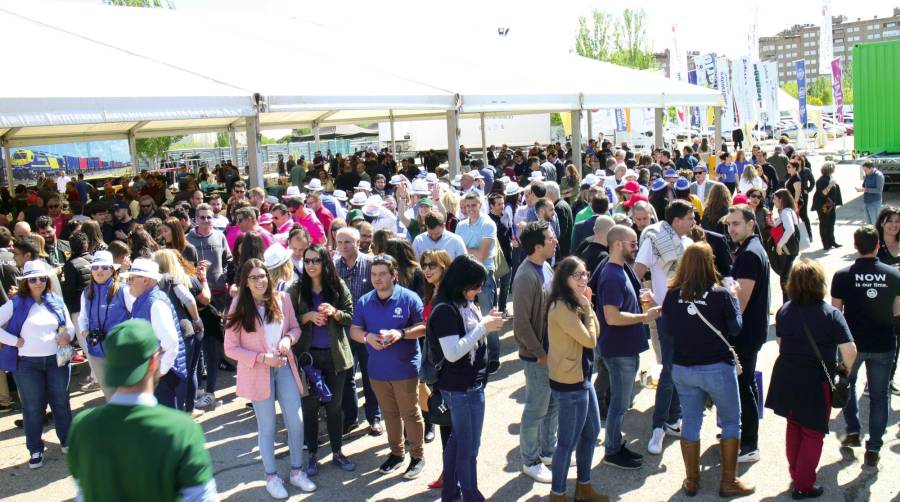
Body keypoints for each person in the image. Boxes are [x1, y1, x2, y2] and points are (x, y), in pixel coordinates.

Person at [67, 319, 217, 501]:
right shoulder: (181, 430)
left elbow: (82, 493)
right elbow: (201, 497)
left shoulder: (82, 427)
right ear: (153, 362)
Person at [663, 242, 752, 497]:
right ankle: (728, 481)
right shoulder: (720, 294)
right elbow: (735, 328)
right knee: (732, 421)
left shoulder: (672, 294)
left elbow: (668, 330)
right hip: (716, 368)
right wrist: (734, 297)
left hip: (683, 367)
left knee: (690, 421)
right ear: (708, 262)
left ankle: (692, 480)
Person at [224, 259, 316, 498]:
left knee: (295, 420)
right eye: (254, 277)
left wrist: (288, 341)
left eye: (263, 276)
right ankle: (271, 477)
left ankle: (297, 472)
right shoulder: (238, 305)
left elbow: (295, 329)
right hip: (258, 370)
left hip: (284, 365)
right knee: (267, 426)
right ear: (245, 282)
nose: (260, 281)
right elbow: (230, 348)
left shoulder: (282, 299)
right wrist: (263, 359)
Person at [766, 259, 857, 499]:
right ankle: (804, 484)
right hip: (815, 380)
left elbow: (780, 343)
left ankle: (796, 474)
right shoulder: (831, 314)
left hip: (787, 375)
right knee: (813, 432)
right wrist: (844, 371)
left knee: (794, 425)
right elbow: (850, 351)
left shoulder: (785, 311)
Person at [427, 255, 504, 502]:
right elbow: (452, 353)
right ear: (461, 284)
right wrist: (484, 327)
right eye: (476, 285)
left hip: (471, 385)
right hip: (460, 389)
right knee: (469, 448)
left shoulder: (464, 303)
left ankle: (450, 493)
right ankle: (471, 495)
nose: (480, 289)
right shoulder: (445, 311)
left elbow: (471, 332)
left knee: (459, 441)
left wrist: (485, 320)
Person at [349, 254, 427, 479]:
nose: (377, 278)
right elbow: (354, 330)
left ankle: (417, 457)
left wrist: (401, 333)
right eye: (374, 274)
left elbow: (423, 327)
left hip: (405, 369)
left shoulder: (409, 298)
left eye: (382, 274)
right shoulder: (365, 301)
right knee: (390, 414)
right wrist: (367, 337)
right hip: (377, 370)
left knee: (410, 413)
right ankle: (396, 453)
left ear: (394, 275)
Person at [831, 225, 900, 469]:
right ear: (878, 246)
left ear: (856, 246)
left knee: (846, 386)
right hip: (883, 342)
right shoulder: (893, 275)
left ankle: (852, 430)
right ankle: (874, 446)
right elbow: (897, 311)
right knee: (880, 396)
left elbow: (835, 313)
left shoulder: (841, 275)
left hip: (852, 343)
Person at [288, 244, 356, 475]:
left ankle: (337, 452)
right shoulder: (296, 289)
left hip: (335, 356)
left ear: (325, 262)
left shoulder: (337, 286)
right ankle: (313, 455)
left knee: (334, 409)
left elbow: (351, 316)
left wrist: (335, 313)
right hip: (307, 359)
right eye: (307, 261)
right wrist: (306, 316)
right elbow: (286, 321)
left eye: (316, 260)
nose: (311, 265)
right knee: (310, 409)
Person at [634, 200, 695, 455]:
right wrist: (645, 300)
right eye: (690, 217)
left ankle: (673, 418)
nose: (694, 222)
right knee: (669, 371)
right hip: (665, 315)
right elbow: (635, 273)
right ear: (677, 220)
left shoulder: (690, 245)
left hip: (688, 316)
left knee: (680, 369)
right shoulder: (654, 240)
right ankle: (658, 426)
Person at [0, 260, 74, 469]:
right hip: (27, 365)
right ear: (26, 282)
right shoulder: (15, 303)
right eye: (33, 279)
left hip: (56, 361)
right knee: (33, 408)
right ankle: (35, 449)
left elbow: (68, 325)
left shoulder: (56, 300)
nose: (39, 282)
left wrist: (67, 336)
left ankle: (67, 441)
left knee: (61, 402)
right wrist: (14, 341)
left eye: (42, 278)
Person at [597, 225, 660, 469]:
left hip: (625, 348)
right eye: (632, 243)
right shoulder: (612, 275)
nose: (636, 248)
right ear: (617, 245)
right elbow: (611, 317)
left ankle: (615, 445)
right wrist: (644, 318)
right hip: (619, 350)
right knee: (620, 405)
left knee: (620, 403)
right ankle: (612, 450)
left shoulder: (619, 270)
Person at [546, 257, 607, 502]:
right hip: (569, 382)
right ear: (564, 279)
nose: (584, 279)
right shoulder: (562, 306)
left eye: (585, 273)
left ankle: (583, 487)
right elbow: (590, 340)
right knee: (567, 442)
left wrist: (588, 306)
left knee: (591, 432)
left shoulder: (576, 302)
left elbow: (596, 332)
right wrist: (588, 307)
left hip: (582, 378)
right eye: (578, 276)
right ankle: (558, 494)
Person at [513, 220, 559, 483]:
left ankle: (547, 452)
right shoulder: (525, 276)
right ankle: (530, 460)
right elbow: (521, 324)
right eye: (550, 238)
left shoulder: (546, 266)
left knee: (551, 405)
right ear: (538, 246)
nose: (555, 241)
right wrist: (539, 353)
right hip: (537, 356)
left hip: (550, 352)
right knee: (536, 408)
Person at [725, 205, 771, 463]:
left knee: (744, 386)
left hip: (746, 333)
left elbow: (739, 303)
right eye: (730, 224)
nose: (731, 229)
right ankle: (745, 436)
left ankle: (750, 444)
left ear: (751, 224)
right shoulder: (748, 250)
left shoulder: (750, 254)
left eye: (736, 224)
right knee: (745, 385)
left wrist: (725, 290)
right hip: (749, 331)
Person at [334, 227, 383, 435]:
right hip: (343, 328)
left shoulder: (371, 264)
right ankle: (351, 417)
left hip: (368, 328)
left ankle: (375, 417)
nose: (343, 246)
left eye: (348, 242)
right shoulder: (334, 266)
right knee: (346, 374)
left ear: (357, 242)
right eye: (339, 242)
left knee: (370, 373)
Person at [123, 258, 188, 410]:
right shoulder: (143, 299)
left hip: (164, 376)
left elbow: (171, 342)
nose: (128, 282)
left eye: (131, 278)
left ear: (145, 280)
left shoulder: (156, 303)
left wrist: (160, 371)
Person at [455, 192, 500, 373]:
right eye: (467, 206)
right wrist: (470, 251)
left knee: (490, 315)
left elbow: (481, 255)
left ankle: (494, 357)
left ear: (480, 205)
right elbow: (462, 253)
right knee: (466, 317)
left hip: (484, 276)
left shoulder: (488, 224)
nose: (470, 209)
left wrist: (466, 250)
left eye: (473, 205)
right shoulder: (460, 225)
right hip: (465, 276)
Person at [77, 250, 130, 401]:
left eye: (104, 267)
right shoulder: (86, 292)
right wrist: (85, 333)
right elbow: (82, 318)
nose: (99, 270)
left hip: (121, 352)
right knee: (109, 394)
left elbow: (135, 315)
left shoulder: (123, 290)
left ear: (112, 269)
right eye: (95, 267)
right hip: (96, 352)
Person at [769, 189, 800, 300]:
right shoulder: (788, 211)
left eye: (775, 199)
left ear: (781, 200)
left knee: (785, 279)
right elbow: (777, 224)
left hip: (789, 248)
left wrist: (779, 245)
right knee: (786, 276)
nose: (773, 201)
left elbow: (790, 229)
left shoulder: (786, 212)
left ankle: (788, 303)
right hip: (792, 248)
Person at [811, 162, 842, 251]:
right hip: (823, 205)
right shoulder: (822, 180)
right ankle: (826, 244)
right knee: (824, 224)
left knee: (831, 223)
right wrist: (830, 185)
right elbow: (823, 193)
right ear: (830, 170)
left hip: (830, 205)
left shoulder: (829, 178)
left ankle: (832, 241)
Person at [857, 160, 885, 225]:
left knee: (875, 223)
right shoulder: (868, 174)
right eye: (864, 170)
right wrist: (861, 188)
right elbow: (864, 185)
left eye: (865, 170)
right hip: (866, 202)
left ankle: (876, 235)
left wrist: (865, 190)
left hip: (874, 203)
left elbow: (879, 190)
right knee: (868, 224)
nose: (864, 172)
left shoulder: (879, 175)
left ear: (871, 168)